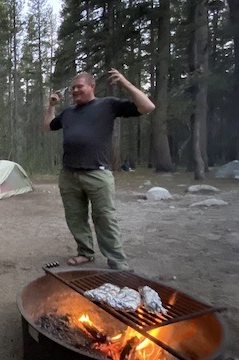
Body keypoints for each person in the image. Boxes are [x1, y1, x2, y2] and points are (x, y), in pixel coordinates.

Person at [43, 68, 155, 270]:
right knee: (75, 217)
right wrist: (51, 107)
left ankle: (117, 261)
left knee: (104, 217)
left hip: (97, 173)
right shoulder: (68, 112)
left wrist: (125, 83)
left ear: (91, 86)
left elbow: (147, 106)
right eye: (73, 87)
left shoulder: (108, 105)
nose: (75, 90)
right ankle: (85, 252)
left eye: (80, 86)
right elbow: (47, 127)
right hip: (69, 174)